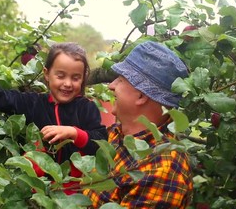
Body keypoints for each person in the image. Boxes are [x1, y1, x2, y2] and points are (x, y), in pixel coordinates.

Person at [0, 40, 108, 194]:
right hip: (33, 192)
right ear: (47, 74)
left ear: (83, 78)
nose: (68, 83)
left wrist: (74, 133)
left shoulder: (86, 108)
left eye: (75, 78)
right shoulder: (32, 103)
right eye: (60, 76)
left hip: (73, 196)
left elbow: (100, 141)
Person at [83, 41, 193, 208]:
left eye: (120, 80)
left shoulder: (161, 169)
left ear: (141, 96)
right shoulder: (117, 134)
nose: (111, 86)